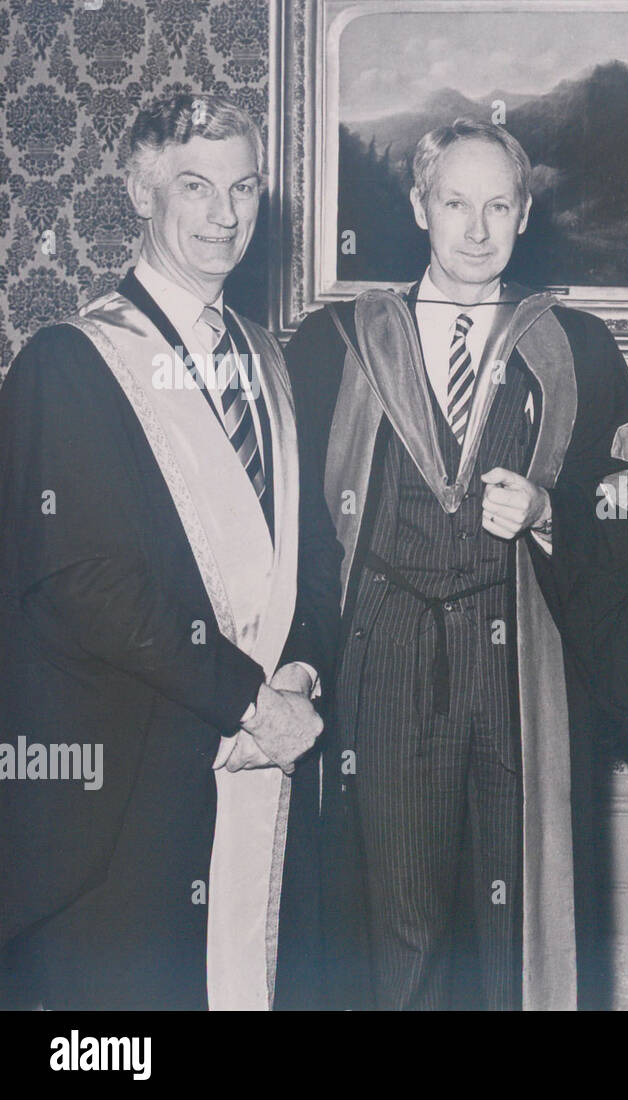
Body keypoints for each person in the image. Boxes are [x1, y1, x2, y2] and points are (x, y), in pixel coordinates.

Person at [284, 118, 628, 1010]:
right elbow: (294, 526)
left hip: (520, 663)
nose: (478, 230)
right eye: (456, 204)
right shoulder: (336, 343)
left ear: (525, 214)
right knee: (398, 925)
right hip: (384, 654)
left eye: (499, 206)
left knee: (514, 925)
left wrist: (550, 511)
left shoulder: (578, 346)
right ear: (420, 207)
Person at [0, 93, 341, 1010]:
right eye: (196, 187)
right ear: (141, 192)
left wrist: (301, 669)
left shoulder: (269, 362)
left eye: (244, 188)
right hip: (131, 793)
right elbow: (84, 584)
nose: (225, 215)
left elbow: (310, 552)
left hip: (258, 778)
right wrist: (249, 702)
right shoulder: (69, 361)